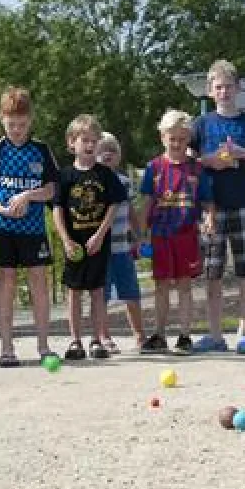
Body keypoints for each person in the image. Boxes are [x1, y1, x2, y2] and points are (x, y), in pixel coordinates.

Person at [0, 86, 59, 368]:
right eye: (12, 125)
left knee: (39, 282)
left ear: (30, 120)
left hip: (33, 228)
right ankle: (7, 348)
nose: (17, 130)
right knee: (6, 282)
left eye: (22, 125)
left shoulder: (41, 150)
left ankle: (44, 346)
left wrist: (28, 196)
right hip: (2, 227)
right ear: (2, 119)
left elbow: (51, 189)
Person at [190, 59, 245, 354]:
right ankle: (215, 334)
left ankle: (243, 333)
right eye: (218, 87)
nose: (224, 92)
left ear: (239, 88)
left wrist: (243, 153)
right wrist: (210, 161)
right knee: (213, 272)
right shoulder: (202, 124)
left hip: (244, 203)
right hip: (211, 207)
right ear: (210, 91)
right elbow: (188, 161)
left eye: (228, 86)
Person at [141, 109, 215, 355]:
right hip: (160, 235)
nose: (177, 143)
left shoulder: (196, 169)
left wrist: (210, 218)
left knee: (185, 286)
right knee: (161, 286)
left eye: (182, 139)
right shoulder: (154, 168)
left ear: (188, 140)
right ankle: (159, 334)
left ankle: (184, 335)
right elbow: (147, 203)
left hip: (186, 235)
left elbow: (207, 201)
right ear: (163, 137)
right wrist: (141, 233)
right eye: (172, 138)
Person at [52, 114, 125, 360]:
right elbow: (57, 209)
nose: (90, 145)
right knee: (73, 292)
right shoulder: (64, 176)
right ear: (72, 142)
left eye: (94, 140)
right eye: (85, 140)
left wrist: (100, 234)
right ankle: (75, 341)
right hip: (74, 243)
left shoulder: (105, 174)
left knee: (97, 291)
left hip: (97, 243)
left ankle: (97, 339)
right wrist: (65, 239)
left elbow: (114, 204)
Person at [95, 132, 154, 354]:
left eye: (112, 150)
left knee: (131, 292)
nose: (107, 154)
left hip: (123, 249)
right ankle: (104, 335)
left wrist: (139, 236)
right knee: (102, 295)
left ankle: (139, 335)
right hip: (101, 250)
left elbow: (130, 213)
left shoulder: (125, 182)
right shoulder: (92, 183)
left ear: (119, 156)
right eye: (102, 150)